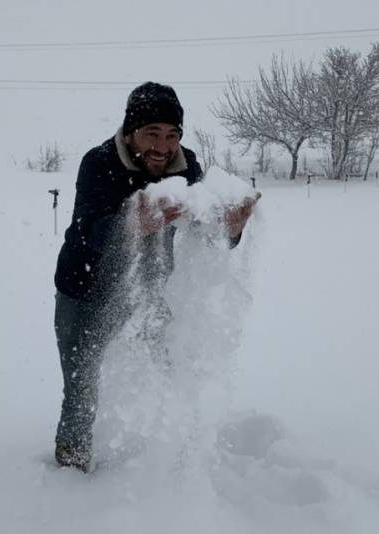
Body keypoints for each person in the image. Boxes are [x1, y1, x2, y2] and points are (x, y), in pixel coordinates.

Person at [52, 82, 257, 471]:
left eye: (172, 135)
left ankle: (171, 452)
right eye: (152, 134)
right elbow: (87, 229)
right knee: (82, 386)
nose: (163, 147)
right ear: (130, 132)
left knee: (168, 367)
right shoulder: (98, 163)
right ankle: (71, 468)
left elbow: (205, 229)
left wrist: (230, 227)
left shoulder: (186, 166)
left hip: (147, 289)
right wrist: (133, 222)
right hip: (83, 290)